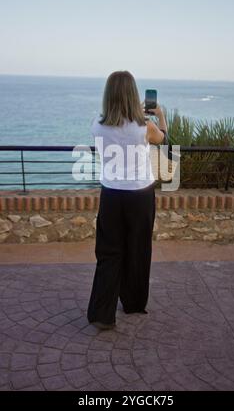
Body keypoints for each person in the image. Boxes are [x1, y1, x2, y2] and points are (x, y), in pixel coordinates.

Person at [87, 70, 168, 329]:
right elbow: (163, 139)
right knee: (138, 249)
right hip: (140, 196)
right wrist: (161, 116)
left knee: (109, 253)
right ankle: (133, 303)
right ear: (134, 95)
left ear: (108, 95)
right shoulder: (145, 127)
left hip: (111, 195)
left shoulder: (97, 125)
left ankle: (102, 313)